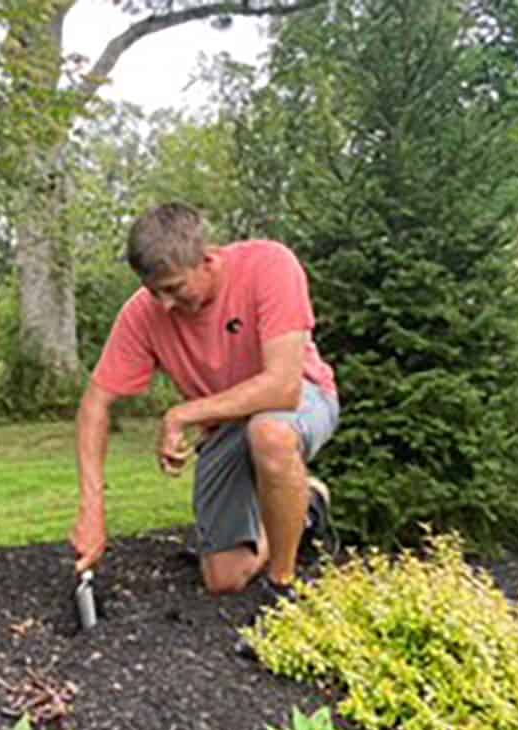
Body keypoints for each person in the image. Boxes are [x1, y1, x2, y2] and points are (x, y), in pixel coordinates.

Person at [68, 203, 338, 598]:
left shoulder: (269, 265)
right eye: (153, 291)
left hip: (303, 398)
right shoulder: (142, 314)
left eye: (174, 288)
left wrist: (182, 415)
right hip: (227, 425)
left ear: (208, 259)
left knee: (270, 433)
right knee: (223, 579)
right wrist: (92, 506)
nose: (164, 304)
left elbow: (283, 386)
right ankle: (307, 506)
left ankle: (283, 586)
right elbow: (95, 405)